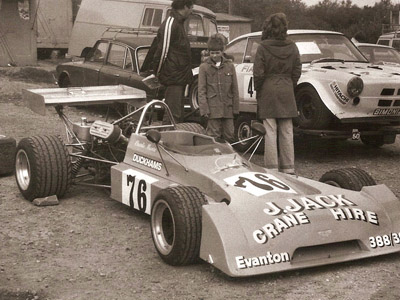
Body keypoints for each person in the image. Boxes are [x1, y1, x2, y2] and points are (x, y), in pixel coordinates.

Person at [253, 13, 302, 174]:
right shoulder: (293, 46)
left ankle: (272, 169)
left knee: (270, 131)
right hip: (287, 89)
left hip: (268, 89)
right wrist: (289, 84)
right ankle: (289, 169)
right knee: (287, 131)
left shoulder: (263, 47)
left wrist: (259, 90)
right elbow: (297, 70)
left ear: (268, 28)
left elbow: (258, 74)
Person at [152, 0, 194, 123]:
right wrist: (157, 73)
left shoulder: (179, 23)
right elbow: (162, 51)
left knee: (178, 114)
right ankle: (166, 139)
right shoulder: (171, 23)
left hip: (179, 76)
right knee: (172, 115)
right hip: (173, 77)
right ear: (185, 7)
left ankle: (173, 139)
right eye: (191, 8)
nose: (192, 11)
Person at [198, 34, 239, 142]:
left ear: (222, 51)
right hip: (212, 110)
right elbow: (201, 90)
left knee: (230, 135)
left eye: (217, 52)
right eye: (212, 53)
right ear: (208, 52)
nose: (215, 55)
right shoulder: (204, 68)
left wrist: (235, 108)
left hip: (228, 108)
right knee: (213, 137)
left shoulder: (230, 66)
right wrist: (204, 110)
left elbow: (235, 89)